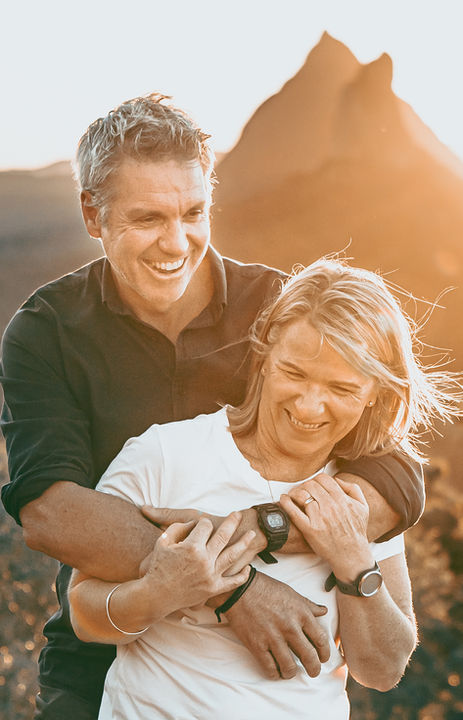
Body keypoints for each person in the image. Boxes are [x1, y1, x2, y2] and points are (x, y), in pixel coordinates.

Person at [0, 95, 425, 720]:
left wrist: (262, 528)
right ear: (93, 214)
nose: (176, 242)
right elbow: (50, 511)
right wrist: (235, 589)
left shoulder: (279, 310)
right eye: (148, 218)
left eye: (194, 212)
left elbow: (393, 470)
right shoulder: (46, 332)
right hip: (102, 657)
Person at [68, 258, 461, 719]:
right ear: (266, 350)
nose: (309, 406)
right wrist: (161, 591)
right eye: (294, 373)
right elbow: (84, 615)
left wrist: (352, 558)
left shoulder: (362, 496)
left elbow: (381, 670)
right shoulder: (163, 455)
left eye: (341, 389)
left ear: (376, 391)